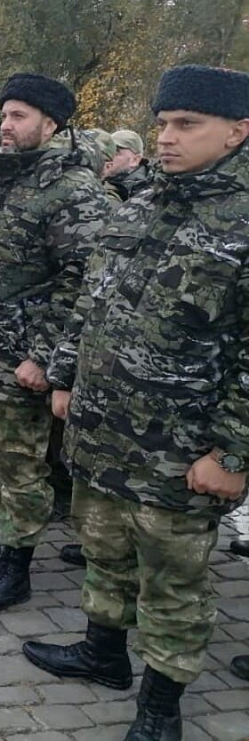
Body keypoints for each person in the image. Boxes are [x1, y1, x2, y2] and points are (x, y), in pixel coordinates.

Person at [20, 64, 249, 741]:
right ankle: (101, 653)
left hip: (181, 449)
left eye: (186, 125)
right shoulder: (145, 200)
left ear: (238, 131)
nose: (167, 138)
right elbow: (96, 303)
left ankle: (159, 707)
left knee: (173, 582)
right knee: (103, 548)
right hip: (103, 426)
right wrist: (66, 379)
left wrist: (232, 452)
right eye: (161, 124)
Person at [0, 73, 109, 614]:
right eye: (3, 115)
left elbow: (83, 282)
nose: (6, 126)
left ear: (51, 124)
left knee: (21, 466)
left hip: (19, 360)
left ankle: (16, 564)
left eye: (19, 116)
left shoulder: (73, 191)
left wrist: (45, 357)